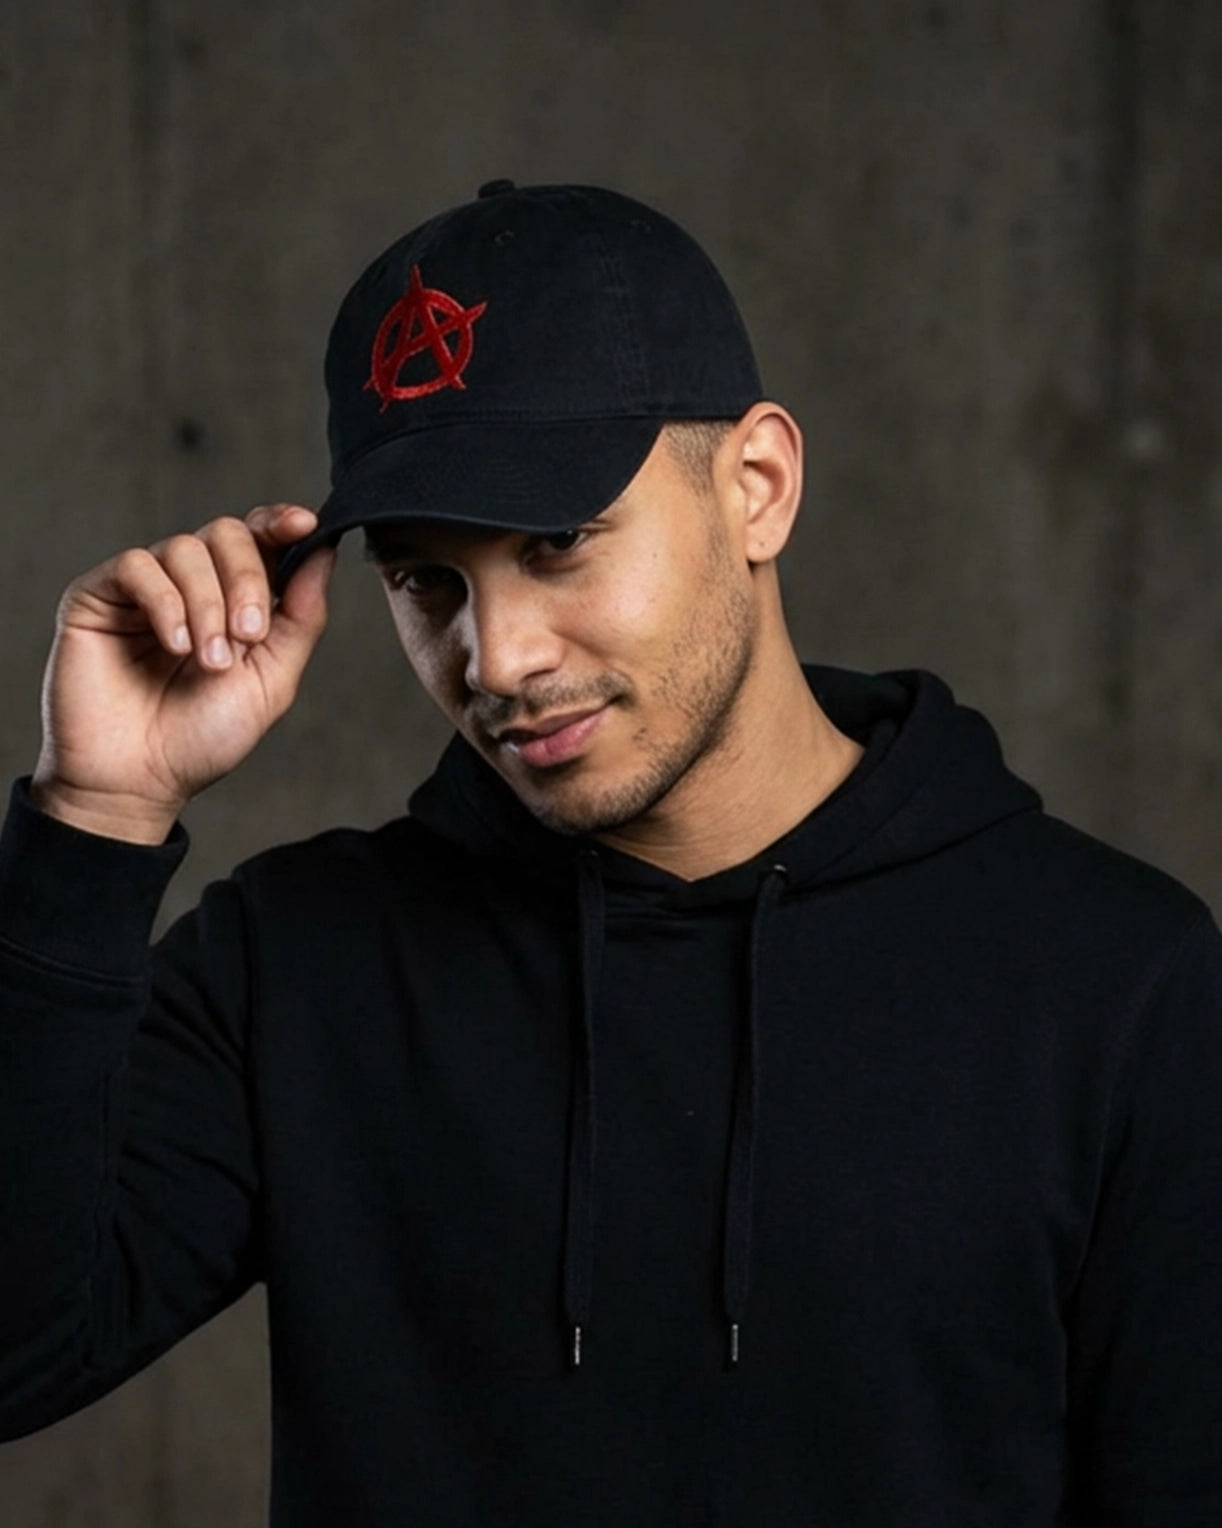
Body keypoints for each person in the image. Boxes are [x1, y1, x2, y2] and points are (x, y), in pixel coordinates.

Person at [1, 180, 1220, 1527]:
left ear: (754, 488)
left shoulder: (1114, 984)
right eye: (428, 582)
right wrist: (94, 818)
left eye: (560, 542)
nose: (498, 657)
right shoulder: (295, 962)